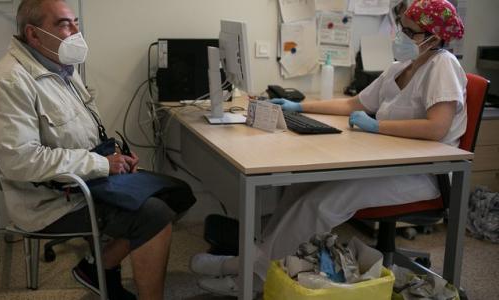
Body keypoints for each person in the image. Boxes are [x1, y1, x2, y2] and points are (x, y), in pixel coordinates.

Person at [190, 0, 466, 296]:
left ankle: (251, 280)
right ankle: (248, 264)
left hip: (421, 174)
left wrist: (376, 126)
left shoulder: (442, 65)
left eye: (408, 31)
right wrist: (299, 106)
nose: (399, 35)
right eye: (401, 27)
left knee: (318, 204)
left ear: (433, 38)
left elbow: (437, 127)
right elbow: (353, 104)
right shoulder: (402, 66)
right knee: (297, 187)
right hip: (386, 162)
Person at [0, 0, 195, 299]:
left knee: (178, 193)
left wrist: (114, 155)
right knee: (153, 215)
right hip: (50, 199)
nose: (75, 30)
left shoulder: (62, 68)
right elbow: (21, 161)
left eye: (75, 21)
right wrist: (102, 164)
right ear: (34, 34)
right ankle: (111, 275)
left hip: (85, 178)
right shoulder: (9, 83)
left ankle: (97, 267)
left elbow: (83, 131)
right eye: (64, 24)